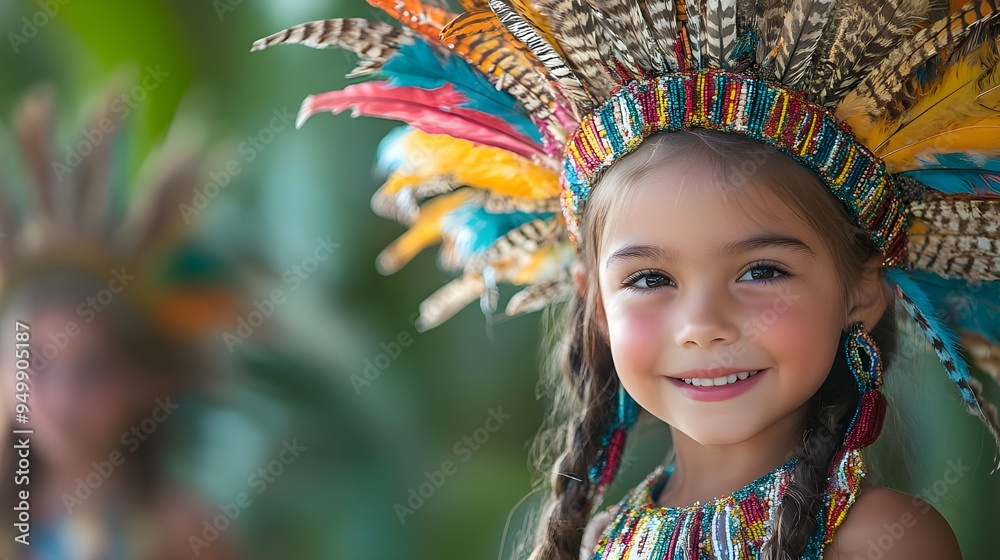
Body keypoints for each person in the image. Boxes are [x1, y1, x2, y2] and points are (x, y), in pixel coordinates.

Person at [253, 0, 1000, 558]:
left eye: (762, 270)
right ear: (596, 304)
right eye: (649, 279)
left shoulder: (886, 542)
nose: (702, 322)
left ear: (860, 291)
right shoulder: (595, 541)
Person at [0, 88, 239, 560]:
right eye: (36, 363)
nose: (63, 397)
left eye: (93, 370)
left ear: (146, 382)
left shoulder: (184, 533)